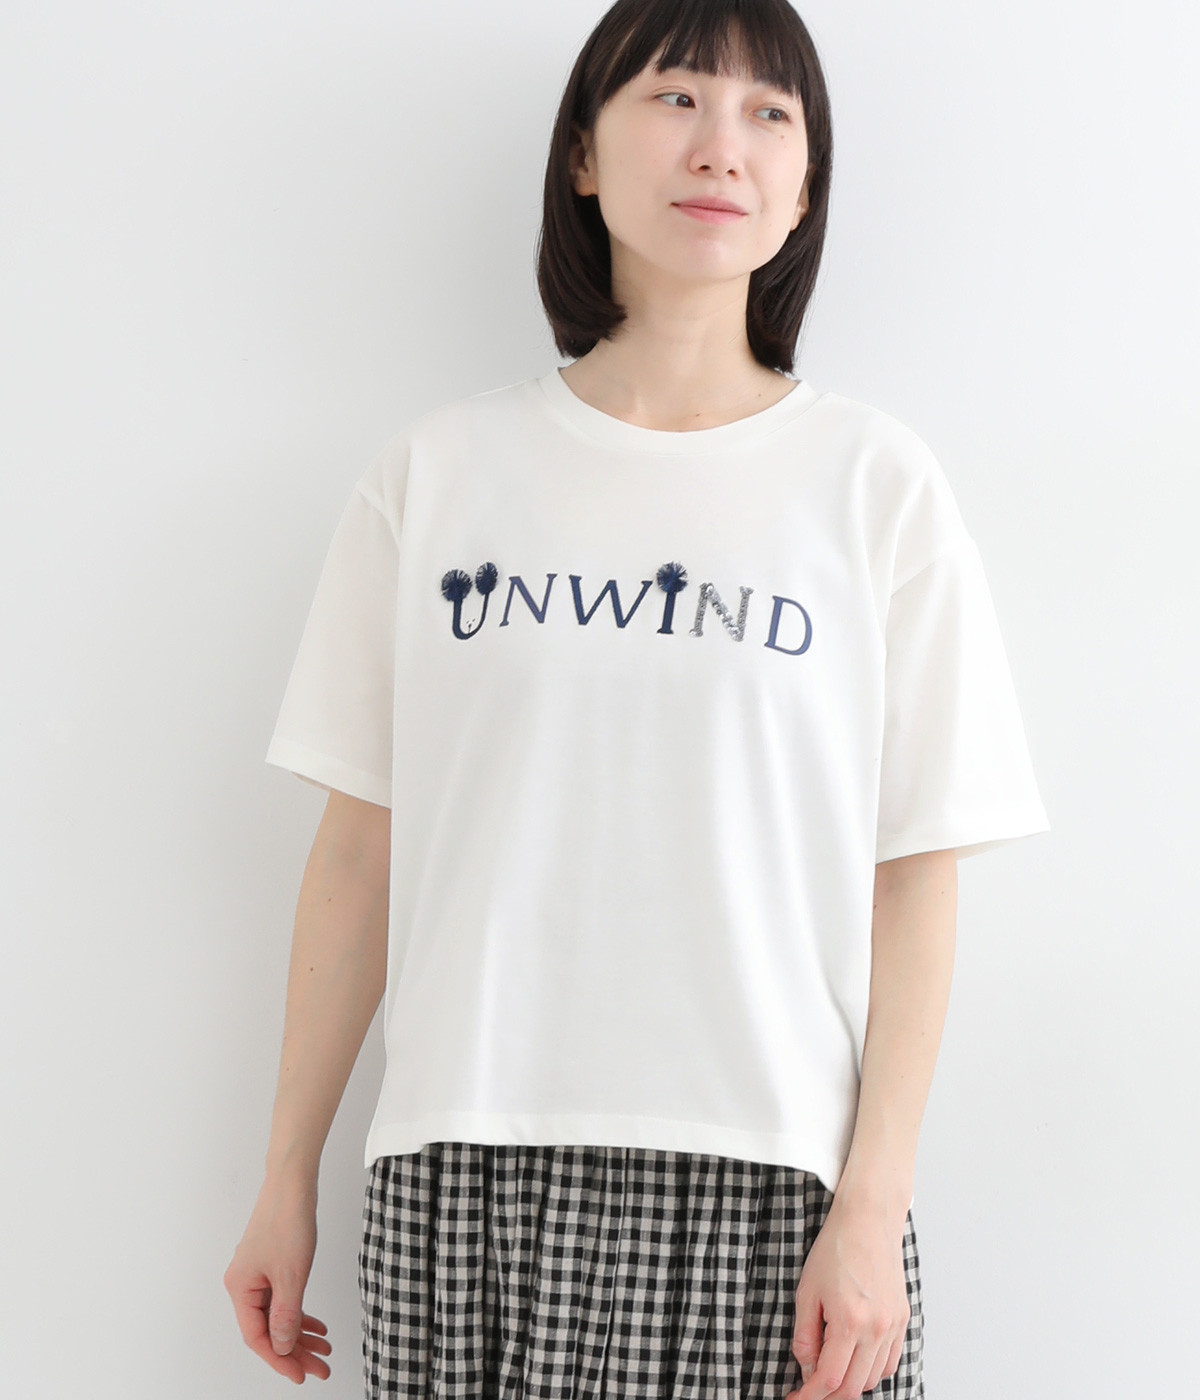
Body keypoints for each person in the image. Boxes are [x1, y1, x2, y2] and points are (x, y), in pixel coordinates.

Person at [224, 1, 1051, 1397]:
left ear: (805, 188)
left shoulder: (875, 486)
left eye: (769, 114)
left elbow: (915, 873)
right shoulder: (439, 474)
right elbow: (360, 851)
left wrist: (873, 1201)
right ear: (583, 155)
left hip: (774, 1187)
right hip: (466, 1171)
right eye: (676, 97)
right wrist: (285, 1176)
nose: (721, 145)